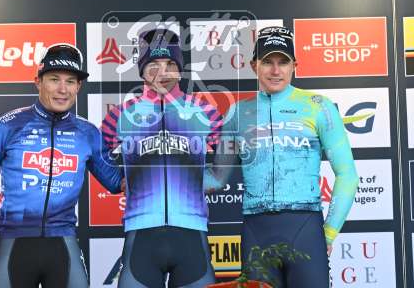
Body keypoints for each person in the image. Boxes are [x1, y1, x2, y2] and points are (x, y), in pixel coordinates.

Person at [0, 43, 123, 288]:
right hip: (14, 245)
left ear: (78, 86)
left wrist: (149, 153)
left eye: (70, 81)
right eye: (54, 79)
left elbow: (116, 182)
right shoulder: (7, 126)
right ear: (38, 82)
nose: (62, 89)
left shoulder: (88, 133)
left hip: (63, 245)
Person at [206, 26, 359, 288]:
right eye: (268, 62)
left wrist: (329, 232)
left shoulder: (318, 107)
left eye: (283, 62)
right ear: (254, 65)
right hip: (256, 231)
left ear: (294, 66)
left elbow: (347, 174)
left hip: (305, 229)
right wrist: (165, 176)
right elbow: (216, 178)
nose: (275, 70)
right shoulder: (237, 114)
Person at [101, 28, 221, 287]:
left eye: (170, 64)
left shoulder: (205, 112)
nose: (162, 73)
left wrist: (208, 181)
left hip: (192, 233)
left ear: (179, 69)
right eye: (153, 65)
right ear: (142, 70)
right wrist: (116, 181)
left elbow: (227, 158)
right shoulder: (121, 115)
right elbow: (97, 153)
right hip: (141, 234)